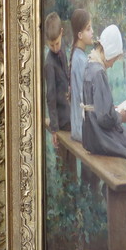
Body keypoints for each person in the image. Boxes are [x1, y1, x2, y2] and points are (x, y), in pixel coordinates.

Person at [81, 25, 126, 167]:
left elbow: (95, 107)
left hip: (90, 135)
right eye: (114, 59)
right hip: (100, 137)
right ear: (108, 53)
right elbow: (104, 119)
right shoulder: (99, 72)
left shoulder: (89, 66)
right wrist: (120, 117)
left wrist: (110, 109)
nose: (113, 64)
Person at [44, 11, 71, 147]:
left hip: (70, 110)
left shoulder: (63, 47)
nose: (55, 48)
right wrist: (54, 129)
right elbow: (51, 97)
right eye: (51, 45)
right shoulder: (49, 64)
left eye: (57, 43)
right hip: (61, 120)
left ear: (61, 32)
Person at [69, 9, 93, 143]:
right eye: (88, 29)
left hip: (78, 126)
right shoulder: (81, 60)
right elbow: (84, 97)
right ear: (80, 35)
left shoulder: (78, 55)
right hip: (81, 129)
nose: (92, 32)